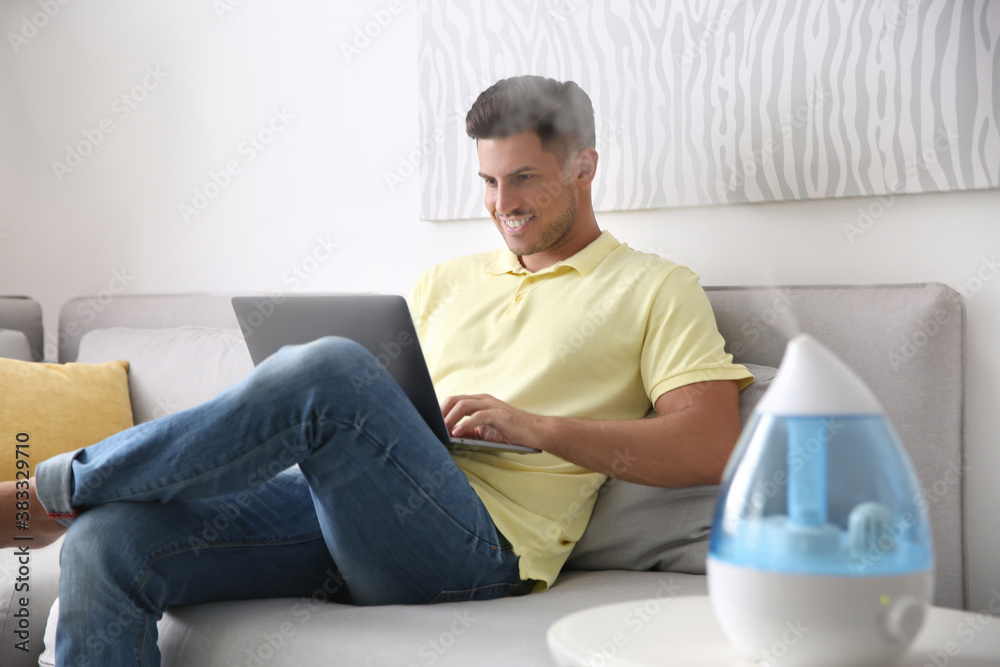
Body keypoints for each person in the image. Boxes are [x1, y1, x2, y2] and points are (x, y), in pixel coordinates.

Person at [2, 75, 752, 666]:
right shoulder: (445, 282)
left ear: (585, 164)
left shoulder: (654, 287)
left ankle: (48, 492)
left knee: (329, 368)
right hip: (348, 517)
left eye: (523, 178)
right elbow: (384, 422)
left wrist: (541, 428)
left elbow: (710, 445)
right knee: (109, 543)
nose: (503, 205)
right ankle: (77, 503)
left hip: (476, 546)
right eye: (489, 182)